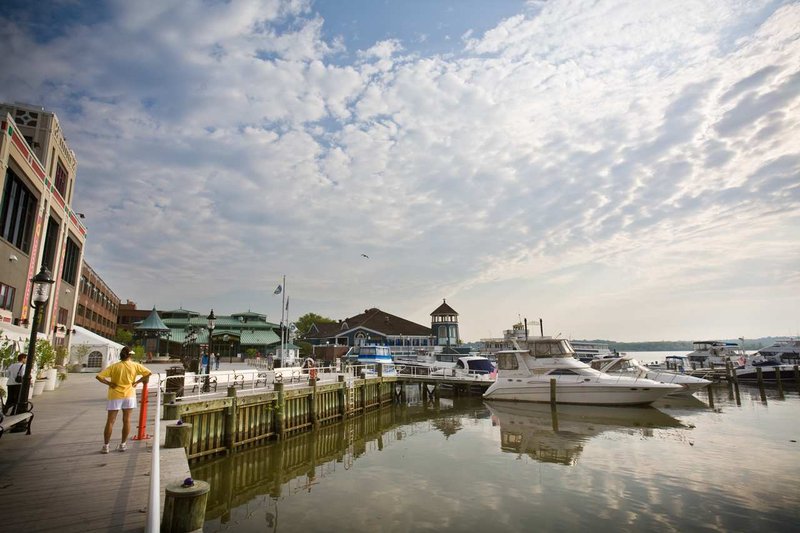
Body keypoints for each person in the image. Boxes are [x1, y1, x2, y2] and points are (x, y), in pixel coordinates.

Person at [95, 347, 151, 453]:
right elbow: (148, 373)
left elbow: (99, 376)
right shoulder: (135, 365)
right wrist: (137, 382)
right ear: (130, 355)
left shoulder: (114, 366)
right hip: (129, 395)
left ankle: (106, 446)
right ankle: (123, 444)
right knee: (127, 420)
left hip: (114, 395)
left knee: (110, 421)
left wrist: (109, 383)